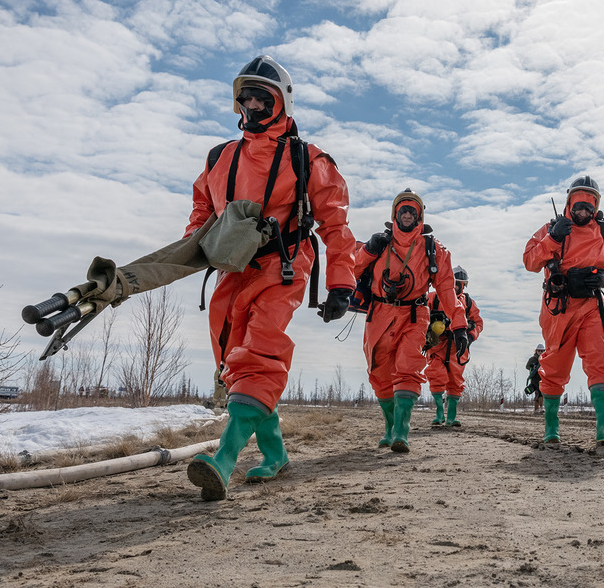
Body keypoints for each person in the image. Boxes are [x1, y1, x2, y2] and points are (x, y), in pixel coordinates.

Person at [184, 55, 357, 500]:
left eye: (265, 97)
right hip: (230, 271)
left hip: (282, 267)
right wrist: (194, 248)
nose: (255, 106)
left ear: (283, 103)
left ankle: (222, 461)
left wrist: (342, 282)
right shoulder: (220, 157)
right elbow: (202, 208)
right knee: (234, 363)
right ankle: (275, 453)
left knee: (259, 351)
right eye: (247, 98)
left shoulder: (308, 158)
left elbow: (336, 225)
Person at [356, 189, 469, 452]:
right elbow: (350, 268)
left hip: (415, 315)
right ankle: (390, 427)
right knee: (379, 375)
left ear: (419, 216)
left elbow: (446, 290)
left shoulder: (434, 250)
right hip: (379, 316)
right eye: (402, 210)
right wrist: (366, 252)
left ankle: (402, 432)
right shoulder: (378, 245)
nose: (407, 214)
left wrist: (460, 325)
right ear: (394, 215)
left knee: (408, 366)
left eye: (412, 210)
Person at [523, 176, 604, 447]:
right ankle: (551, 427)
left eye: (588, 207)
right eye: (578, 206)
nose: (583, 212)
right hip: (559, 306)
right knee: (555, 364)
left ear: (595, 207)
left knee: (602, 357)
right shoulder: (551, 229)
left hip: (593, 304)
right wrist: (552, 238)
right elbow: (530, 262)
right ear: (570, 203)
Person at [423, 265, 483, 427]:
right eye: (454, 283)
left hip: (458, 348)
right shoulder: (433, 298)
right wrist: (430, 325)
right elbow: (419, 313)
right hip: (437, 345)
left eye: (460, 284)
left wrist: (470, 337)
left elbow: (478, 324)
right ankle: (439, 413)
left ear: (464, 285)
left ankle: (451, 417)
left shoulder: (469, 303)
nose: (456, 286)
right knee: (436, 375)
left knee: (455, 381)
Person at [524, 342, 545, 413]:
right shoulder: (532, 359)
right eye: (539, 351)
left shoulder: (545, 359)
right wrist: (533, 368)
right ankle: (536, 410)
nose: (540, 352)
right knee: (537, 394)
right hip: (534, 379)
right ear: (536, 351)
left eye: (542, 351)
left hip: (542, 378)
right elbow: (527, 367)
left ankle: (541, 408)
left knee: (541, 394)